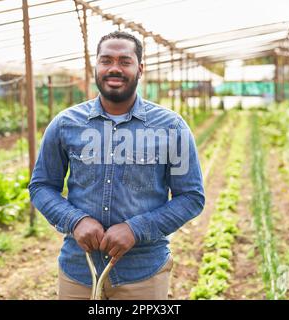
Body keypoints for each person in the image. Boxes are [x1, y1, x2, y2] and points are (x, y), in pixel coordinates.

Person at [28, 31, 205, 300]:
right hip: (79, 271)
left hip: (143, 274)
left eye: (125, 61)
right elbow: (41, 186)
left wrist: (137, 229)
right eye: (106, 60)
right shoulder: (65, 124)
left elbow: (191, 197)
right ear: (95, 67)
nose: (114, 68)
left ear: (140, 69)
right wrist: (75, 221)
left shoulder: (171, 127)